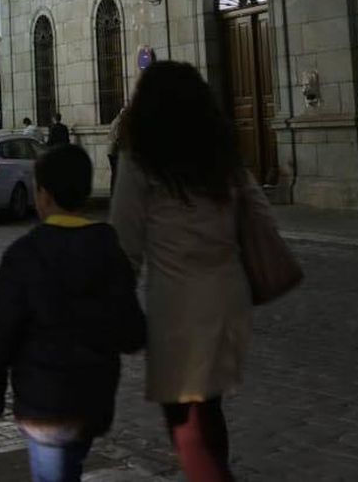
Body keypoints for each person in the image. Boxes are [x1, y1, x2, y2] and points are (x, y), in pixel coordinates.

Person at [110, 61, 259, 482]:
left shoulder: (141, 160)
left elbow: (125, 244)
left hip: (178, 308)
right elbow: (255, 216)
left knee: (186, 425)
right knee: (208, 410)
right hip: (229, 301)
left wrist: (116, 309)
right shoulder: (221, 155)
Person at [0, 145, 146, 482]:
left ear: (43, 195)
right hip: (91, 403)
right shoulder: (106, 248)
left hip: (42, 404)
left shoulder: (25, 254)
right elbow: (130, 328)